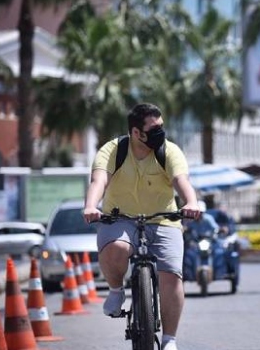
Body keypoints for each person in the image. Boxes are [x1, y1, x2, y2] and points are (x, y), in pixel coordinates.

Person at [83, 103, 201, 350]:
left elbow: (182, 181)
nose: (161, 132)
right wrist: (91, 206)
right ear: (137, 133)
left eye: (162, 126)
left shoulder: (168, 151)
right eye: (155, 128)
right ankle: (116, 291)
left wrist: (191, 202)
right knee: (115, 247)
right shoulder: (113, 150)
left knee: (171, 274)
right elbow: (98, 180)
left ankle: (169, 339)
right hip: (119, 218)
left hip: (163, 219)